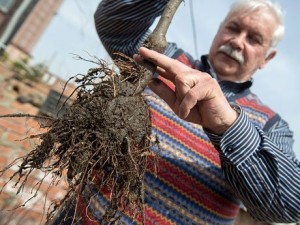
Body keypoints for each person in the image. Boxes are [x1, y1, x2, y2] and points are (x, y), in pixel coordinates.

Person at [51, 0, 300, 224]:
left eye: (254, 38)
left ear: (267, 58)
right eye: (233, 28)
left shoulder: (271, 125)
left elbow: (289, 205)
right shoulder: (166, 60)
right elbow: (114, 20)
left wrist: (228, 126)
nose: (237, 41)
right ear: (219, 29)